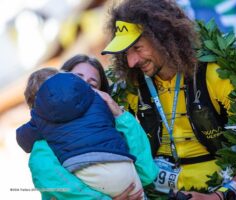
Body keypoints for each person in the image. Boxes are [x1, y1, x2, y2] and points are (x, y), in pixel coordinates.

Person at [100, 0, 236, 199]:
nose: (131, 61)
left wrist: (219, 197)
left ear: (162, 37)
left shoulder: (214, 74)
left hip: (218, 189)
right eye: (126, 52)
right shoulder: (131, 87)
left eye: (138, 48)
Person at [25, 55, 156, 200]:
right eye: (78, 80)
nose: (84, 89)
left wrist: (120, 115)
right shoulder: (43, 147)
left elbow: (146, 173)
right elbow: (59, 187)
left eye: (92, 85)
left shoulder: (110, 130)